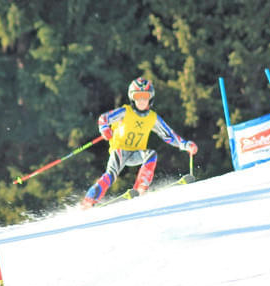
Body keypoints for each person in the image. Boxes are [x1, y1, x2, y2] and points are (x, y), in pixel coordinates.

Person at [81, 77, 198, 209]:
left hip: (136, 153)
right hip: (120, 150)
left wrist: (185, 145)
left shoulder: (152, 117)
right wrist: (105, 129)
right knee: (111, 175)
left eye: (145, 96)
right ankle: (90, 199)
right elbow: (104, 119)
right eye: (138, 96)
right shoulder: (125, 112)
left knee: (151, 154)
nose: (141, 100)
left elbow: (169, 135)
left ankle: (141, 186)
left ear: (150, 98)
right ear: (133, 98)